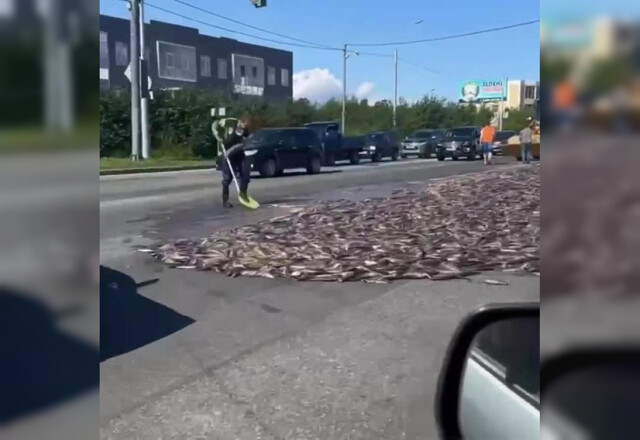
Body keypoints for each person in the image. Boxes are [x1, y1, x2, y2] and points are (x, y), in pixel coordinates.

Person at [213, 117, 251, 208]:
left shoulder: (245, 133)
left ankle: (243, 195)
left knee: (245, 177)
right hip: (228, 157)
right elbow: (215, 125)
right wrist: (218, 136)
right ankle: (225, 201)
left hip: (238, 156)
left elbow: (244, 144)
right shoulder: (231, 130)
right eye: (243, 123)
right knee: (227, 179)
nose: (244, 125)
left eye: (246, 124)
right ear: (239, 122)